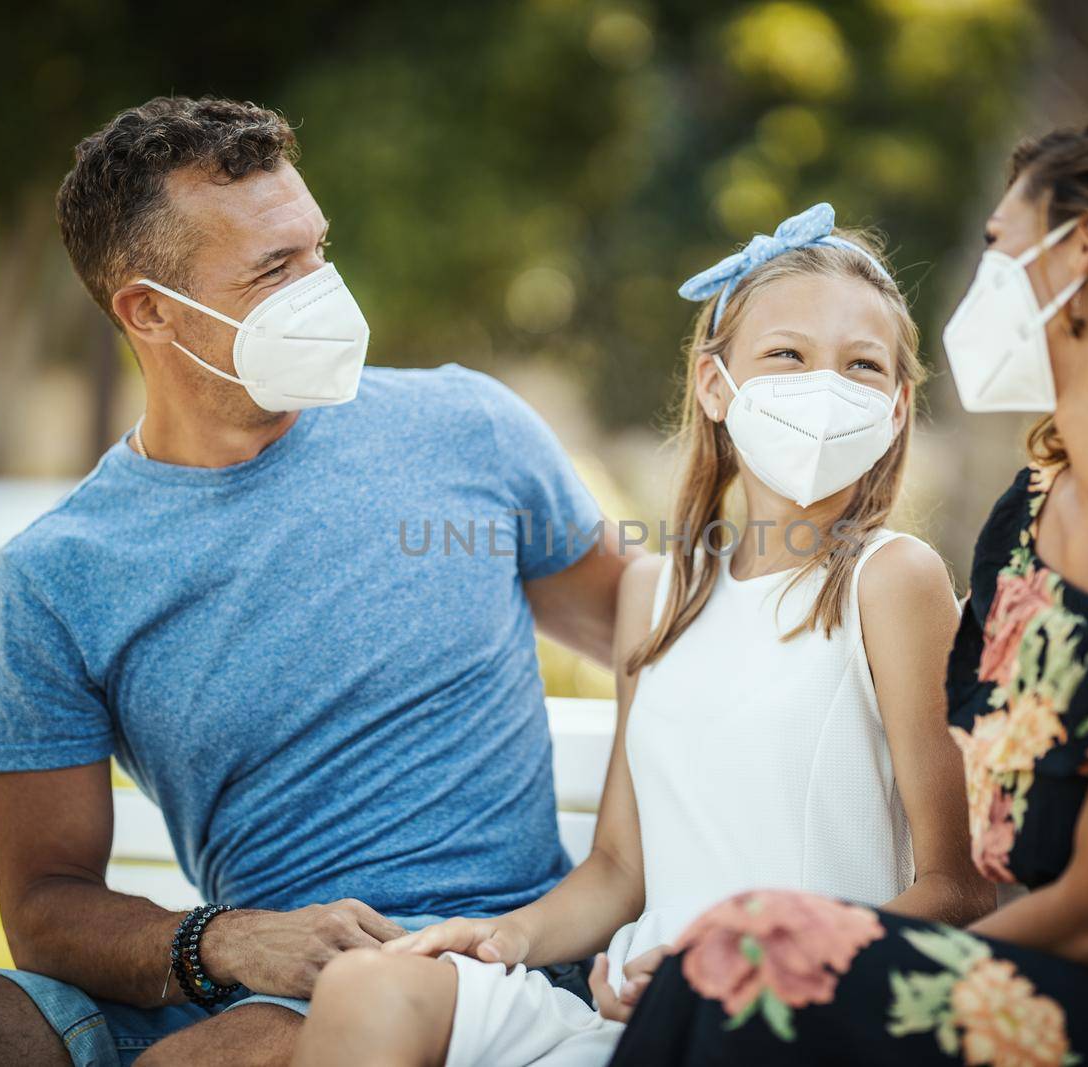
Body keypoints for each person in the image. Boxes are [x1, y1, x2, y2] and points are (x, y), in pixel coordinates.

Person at [0, 96, 634, 1067]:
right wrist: (231, 940)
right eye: (274, 269)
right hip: (228, 989)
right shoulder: (58, 575)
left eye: (317, 250)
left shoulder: (467, 428)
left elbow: (655, 629)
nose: (323, 290)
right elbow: (44, 908)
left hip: (484, 979)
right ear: (149, 312)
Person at [607, 114, 1088, 1066]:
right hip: (1014, 986)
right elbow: (971, 824)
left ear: (1081, 257)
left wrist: (825, 957)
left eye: (1000, 250)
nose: (977, 290)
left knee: (750, 959)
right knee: (735, 967)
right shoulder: (1030, 522)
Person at [289, 203, 997, 1067]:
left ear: (894, 407)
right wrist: (503, 937)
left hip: (797, 1020)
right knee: (370, 987)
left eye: (862, 365)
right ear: (713, 383)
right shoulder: (655, 590)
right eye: (787, 355)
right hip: (632, 1017)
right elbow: (620, 867)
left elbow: (959, 890)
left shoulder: (893, 579)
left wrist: (744, 960)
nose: (826, 386)